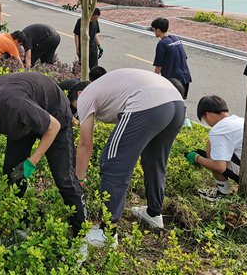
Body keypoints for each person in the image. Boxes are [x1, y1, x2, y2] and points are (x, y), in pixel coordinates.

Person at [0, 72, 87, 235]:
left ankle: (82, 231)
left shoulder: (15, 105)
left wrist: (32, 161)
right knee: (12, 173)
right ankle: (19, 221)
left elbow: (52, 126)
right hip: (25, 119)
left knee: (65, 180)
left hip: (54, 113)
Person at [69, 69, 185, 231]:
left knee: (113, 163)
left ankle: (107, 231)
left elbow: (85, 144)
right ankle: (153, 213)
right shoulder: (108, 88)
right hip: (177, 103)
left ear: (79, 94)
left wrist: (78, 180)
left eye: (75, 107)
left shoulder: (85, 96)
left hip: (147, 103)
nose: (80, 114)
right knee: (154, 161)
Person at [187, 95, 247, 200]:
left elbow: (219, 167)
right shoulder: (241, 121)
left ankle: (222, 194)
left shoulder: (218, 130)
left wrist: (197, 158)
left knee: (210, 150)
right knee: (216, 152)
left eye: (204, 119)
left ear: (208, 115)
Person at [150, 18, 192, 100]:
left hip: (174, 82)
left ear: (158, 30)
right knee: (181, 104)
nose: (154, 32)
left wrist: (153, 80)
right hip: (185, 78)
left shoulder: (162, 44)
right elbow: (184, 58)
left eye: (154, 29)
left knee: (170, 104)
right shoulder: (176, 39)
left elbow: (159, 65)